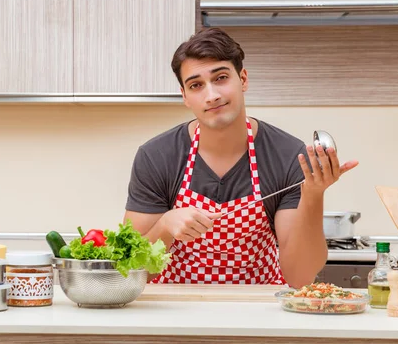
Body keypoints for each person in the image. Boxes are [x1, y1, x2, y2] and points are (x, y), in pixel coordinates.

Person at [123, 28, 358, 287]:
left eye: (221, 77)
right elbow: (134, 272)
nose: (211, 95)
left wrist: (314, 195)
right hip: (177, 313)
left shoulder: (289, 156)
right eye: (196, 85)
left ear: (243, 79)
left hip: (259, 314)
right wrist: (165, 227)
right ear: (185, 97)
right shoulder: (156, 157)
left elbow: (299, 277)